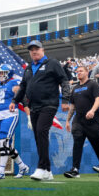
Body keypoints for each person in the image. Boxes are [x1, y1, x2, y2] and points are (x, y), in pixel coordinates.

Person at [10, 40, 70, 181]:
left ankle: (41, 167)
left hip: (49, 104)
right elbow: (23, 86)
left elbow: (64, 80)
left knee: (42, 131)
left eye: (37, 48)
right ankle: (48, 171)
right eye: (31, 50)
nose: (34, 51)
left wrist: (66, 99)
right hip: (34, 106)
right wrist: (14, 101)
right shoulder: (29, 68)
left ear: (42, 50)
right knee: (38, 136)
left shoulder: (52, 63)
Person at [63, 66, 99, 178]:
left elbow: (98, 99)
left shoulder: (93, 84)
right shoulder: (75, 88)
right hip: (78, 120)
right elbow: (72, 106)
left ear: (87, 72)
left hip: (92, 120)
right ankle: (75, 169)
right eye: (77, 72)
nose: (79, 73)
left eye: (81, 71)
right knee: (77, 143)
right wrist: (68, 120)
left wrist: (92, 110)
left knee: (97, 145)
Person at [0, 64, 29, 180]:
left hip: (10, 114)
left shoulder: (13, 82)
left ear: (9, 73)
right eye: (0, 73)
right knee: (7, 145)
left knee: (4, 142)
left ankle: (1, 171)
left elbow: (18, 94)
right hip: (0, 116)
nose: (1, 74)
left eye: (3, 72)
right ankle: (22, 166)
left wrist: (13, 101)